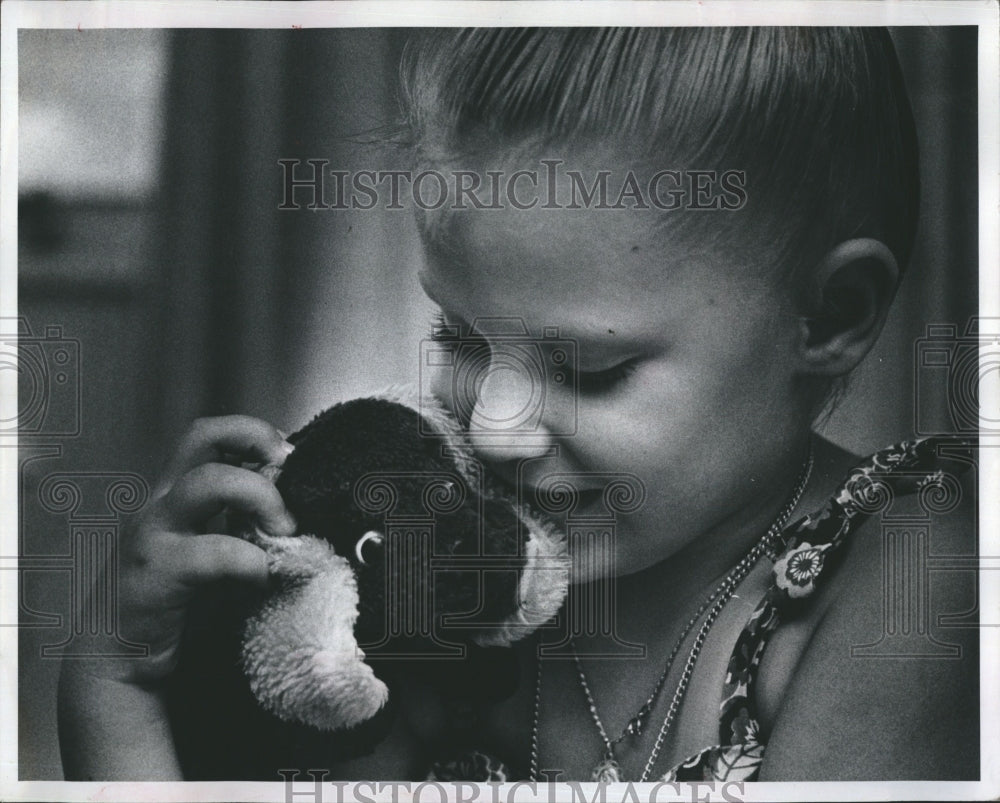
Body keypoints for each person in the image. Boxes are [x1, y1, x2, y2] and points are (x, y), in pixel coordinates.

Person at [58, 27, 979, 782]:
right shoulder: (450, 574)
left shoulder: (917, 574)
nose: (495, 428)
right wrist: (117, 691)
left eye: (586, 367)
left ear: (830, 314)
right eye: (460, 339)